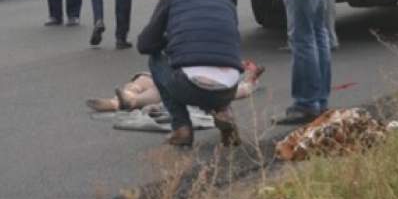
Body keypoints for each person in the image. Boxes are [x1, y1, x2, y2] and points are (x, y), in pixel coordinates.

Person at [136, 0, 243, 148]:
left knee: (156, 60)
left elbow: (145, 44)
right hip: (230, 87)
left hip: (191, 86)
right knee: (216, 55)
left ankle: (181, 127)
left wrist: (170, 41)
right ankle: (224, 112)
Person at [85, 59, 266, 113]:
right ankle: (121, 98)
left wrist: (251, 77)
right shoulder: (226, 53)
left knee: (161, 89)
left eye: (250, 65)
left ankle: (122, 103)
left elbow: (243, 90)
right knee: (143, 80)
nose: (247, 63)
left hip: (189, 82)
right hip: (178, 71)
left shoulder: (230, 80)